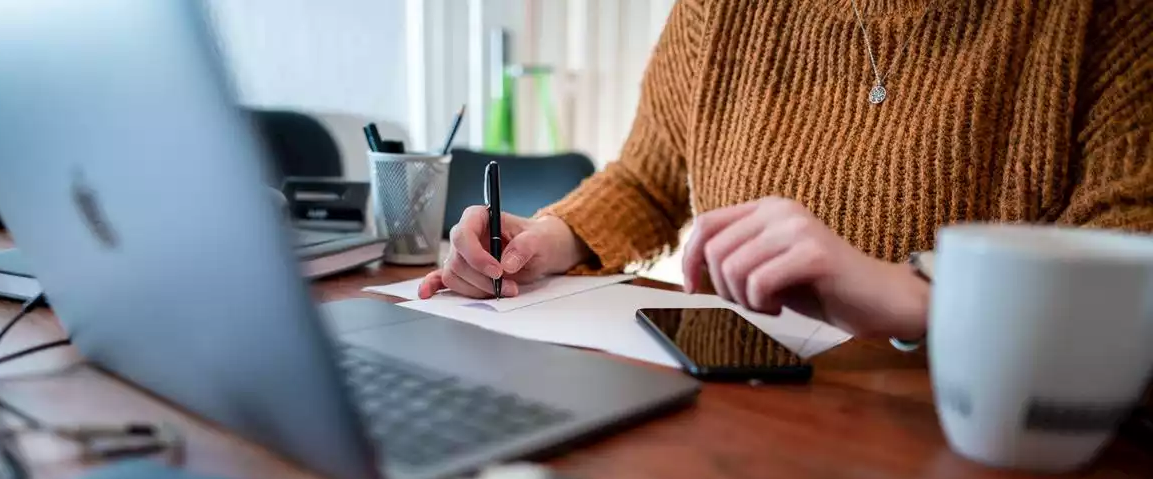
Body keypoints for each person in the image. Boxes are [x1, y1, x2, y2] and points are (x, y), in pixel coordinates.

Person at [420, 0, 1152, 342]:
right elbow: (649, 178)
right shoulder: (721, 11)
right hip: (745, 416)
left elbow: (1131, 260)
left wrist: (917, 295)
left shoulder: (1103, 19)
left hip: (968, 454)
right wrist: (550, 237)